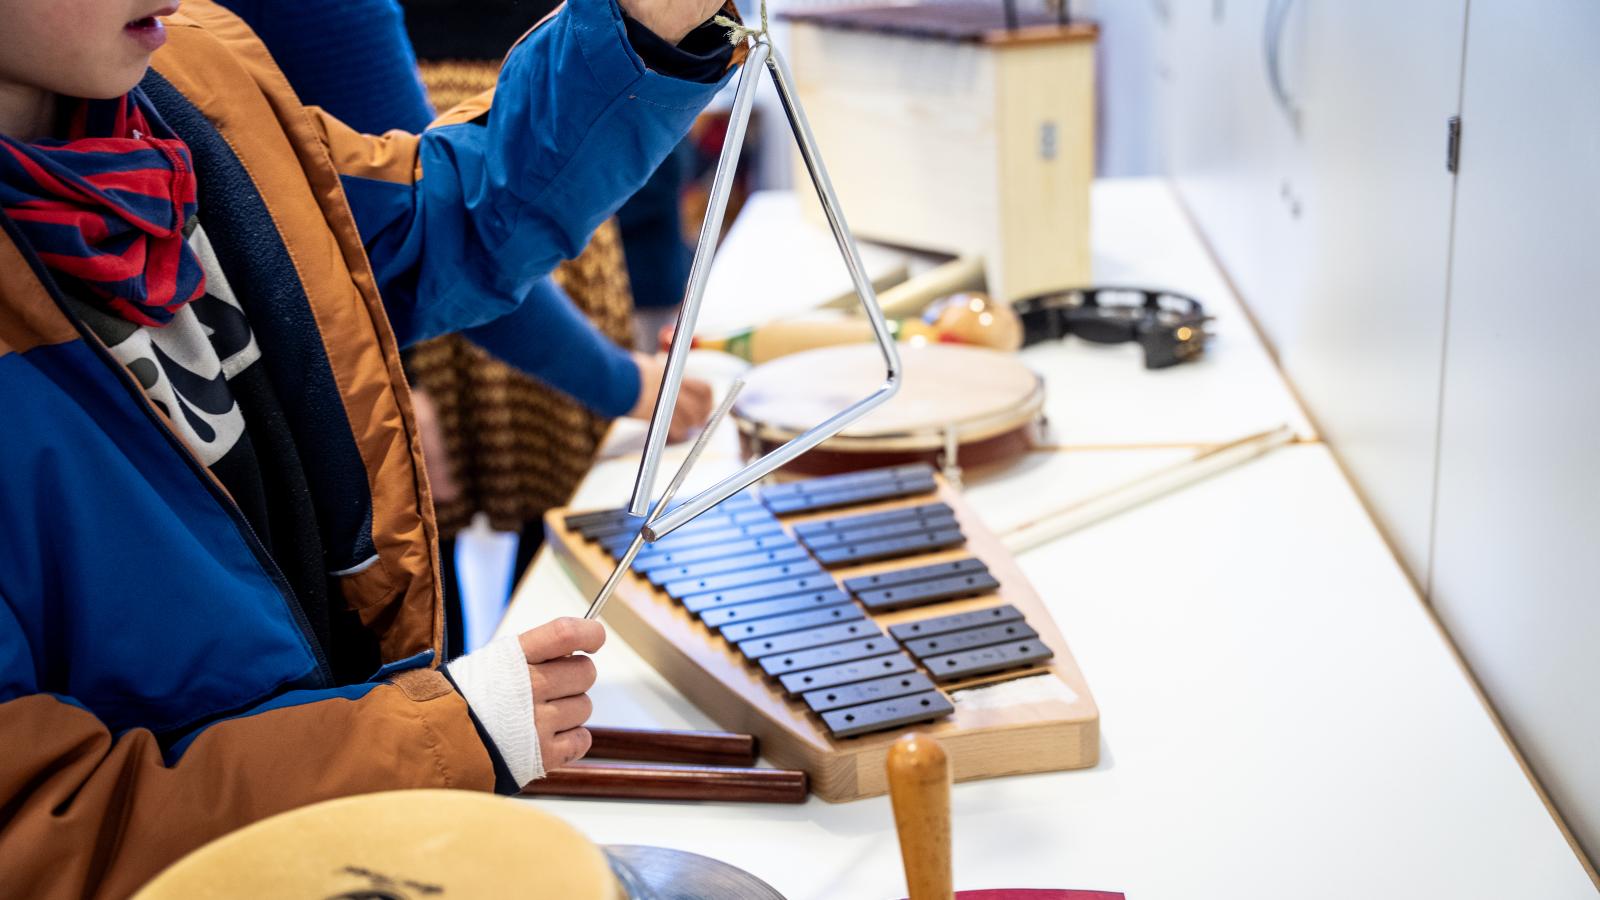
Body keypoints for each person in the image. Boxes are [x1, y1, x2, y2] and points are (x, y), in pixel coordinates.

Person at [0, 0, 737, 894]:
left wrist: (645, 29)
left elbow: (424, 229)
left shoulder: (196, 83)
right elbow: (39, 827)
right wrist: (425, 741)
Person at [211, 0, 713, 657]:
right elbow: (405, 222)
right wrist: (397, 376)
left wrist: (649, 327)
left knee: (562, 561)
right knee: (416, 603)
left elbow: (640, 185)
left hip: (546, 259)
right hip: (433, 294)